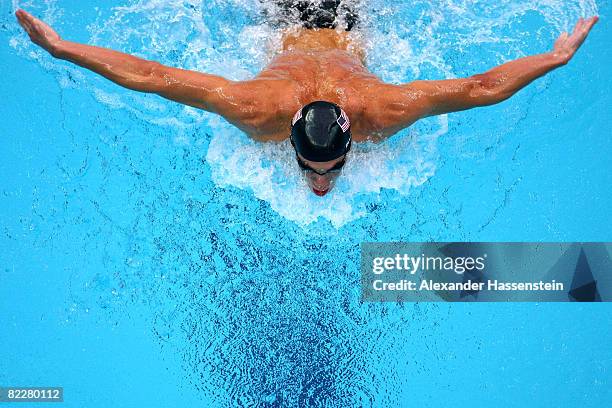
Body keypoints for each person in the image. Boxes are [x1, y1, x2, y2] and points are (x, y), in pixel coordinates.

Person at [15, 3, 598, 196]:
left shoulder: (381, 110)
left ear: (349, 134)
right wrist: (62, 48)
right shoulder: (255, 107)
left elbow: (481, 90)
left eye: (330, 168)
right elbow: (148, 74)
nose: (321, 186)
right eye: (314, 168)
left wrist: (559, 58)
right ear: (290, 130)